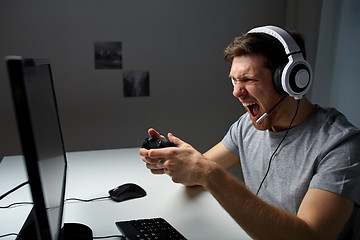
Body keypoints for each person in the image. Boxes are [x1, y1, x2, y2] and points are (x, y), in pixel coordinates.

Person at [139, 25, 360, 239]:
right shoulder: (246, 126)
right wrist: (175, 160)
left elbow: (311, 236)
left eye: (248, 79)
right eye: (234, 80)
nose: (236, 92)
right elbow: (198, 174)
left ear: (291, 80)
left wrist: (210, 174)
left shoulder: (340, 145)